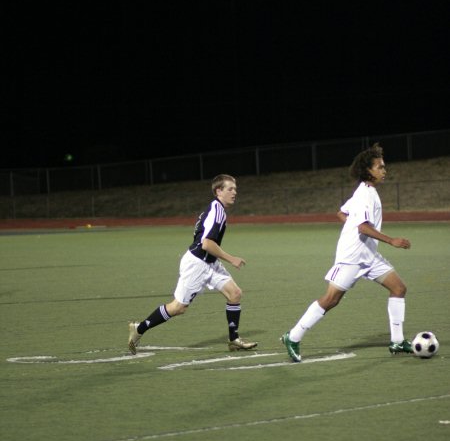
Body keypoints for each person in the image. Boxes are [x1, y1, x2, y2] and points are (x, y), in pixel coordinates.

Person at [281, 143, 413, 362]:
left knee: (398, 288)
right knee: (331, 299)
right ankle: (293, 336)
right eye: (380, 167)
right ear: (367, 170)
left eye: (383, 166)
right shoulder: (365, 194)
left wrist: (353, 226)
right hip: (352, 257)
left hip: (368, 255)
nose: (384, 170)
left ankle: (397, 341)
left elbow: (342, 213)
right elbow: (362, 226)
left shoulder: (366, 191)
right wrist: (392, 241)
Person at [128, 173, 257, 354]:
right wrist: (232, 258)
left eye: (235, 188)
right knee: (178, 307)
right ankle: (139, 328)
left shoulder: (217, 209)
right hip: (197, 264)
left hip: (210, 263)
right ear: (218, 191)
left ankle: (234, 339)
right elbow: (207, 243)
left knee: (235, 294)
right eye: (230, 189)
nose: (235, 192)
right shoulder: (217, 210)